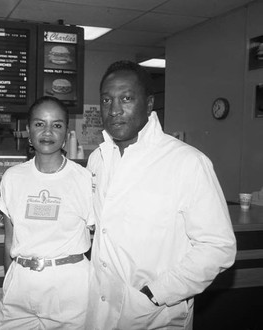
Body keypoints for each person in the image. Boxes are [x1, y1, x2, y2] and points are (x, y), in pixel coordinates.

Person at [85, 60, 237, 329]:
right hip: (100, 311)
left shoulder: (187, 162)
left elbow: (218, 247)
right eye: (106, 100)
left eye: (127, 98)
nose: (115, 110)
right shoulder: (98, 159)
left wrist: (157, 293)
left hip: (154, 315)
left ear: (149, 103)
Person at [0, 96, 98, 329]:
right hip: (20, 288)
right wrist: (9, 281)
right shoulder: (13, 177)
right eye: (40, 124)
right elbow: (9, 240)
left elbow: (101, 237)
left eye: (57, 125)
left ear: (66, 133)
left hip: (69, 290)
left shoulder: (83, 179)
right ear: (29, 131)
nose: (48, 132)